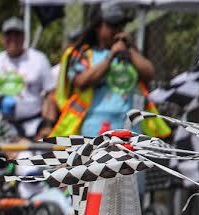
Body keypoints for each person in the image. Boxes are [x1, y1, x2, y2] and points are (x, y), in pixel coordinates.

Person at [53, 2, 167, 138]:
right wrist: (110, 56)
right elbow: (81, 82)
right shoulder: (84, 54)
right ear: (97, 27)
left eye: (121, 25)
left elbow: (149, 74)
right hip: (95, 129)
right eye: (112, 25)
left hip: (129, 129)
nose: (118, 30)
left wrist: (130, 49)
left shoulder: (130, 53)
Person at [0, 17, 55, 139]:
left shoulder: (38, 59)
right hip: (2, 126)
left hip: (34, 125)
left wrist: (47, 124)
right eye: (9, 35)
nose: (13, 39)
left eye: (17, 34)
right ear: (2, 38)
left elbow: (51, 93)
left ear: (24, 37)